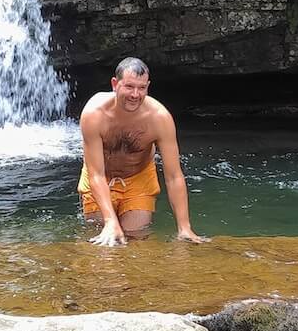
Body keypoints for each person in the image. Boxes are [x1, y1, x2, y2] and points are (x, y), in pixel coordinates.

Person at [78, 56, 207, 246]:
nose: (135, 94)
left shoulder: (159, 118)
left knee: (136, 235)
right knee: (103, 237)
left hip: (139, 178)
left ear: (148, 86)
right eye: (129, 87)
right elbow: (96, 174)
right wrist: (110, 221)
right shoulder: (94, 114)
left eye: (142, 88)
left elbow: (174, 176)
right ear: (115, 84)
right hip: (100, 176)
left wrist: (184, 227)